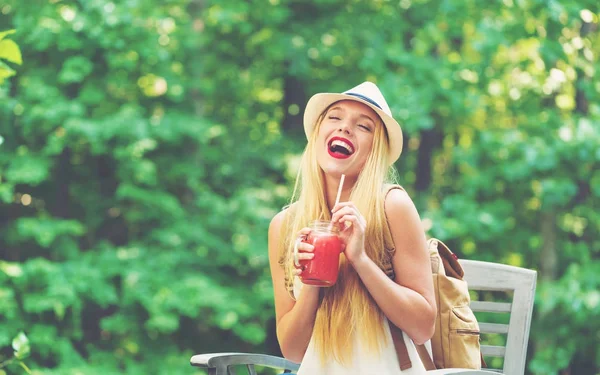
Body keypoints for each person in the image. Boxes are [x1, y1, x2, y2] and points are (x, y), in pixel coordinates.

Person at [268, 81, 436, 374]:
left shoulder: (391, 206)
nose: (345, 128)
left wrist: (360, 259)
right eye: (335, 117)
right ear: (318, 133)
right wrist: (310, 281)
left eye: (364, 126)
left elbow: (423, 327)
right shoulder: (285, 226)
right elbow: (293, 352)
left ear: (374, 150)